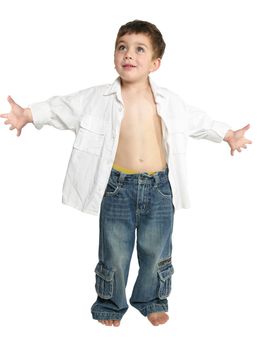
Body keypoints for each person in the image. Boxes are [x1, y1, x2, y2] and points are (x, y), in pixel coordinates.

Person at [0, 20, 252, 327]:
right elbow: (60, 107)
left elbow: (197, 120)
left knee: (156, 250)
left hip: (159, 188)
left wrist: (226, 134)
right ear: (114, 55)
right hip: (117, 187)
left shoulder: (169, 101)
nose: (128, 54)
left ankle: (151, 299)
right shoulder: (97, 98)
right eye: (122, 47)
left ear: (155, 63)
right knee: (115, 252)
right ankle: (110, 302)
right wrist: (27, 114)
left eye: (138, 49)